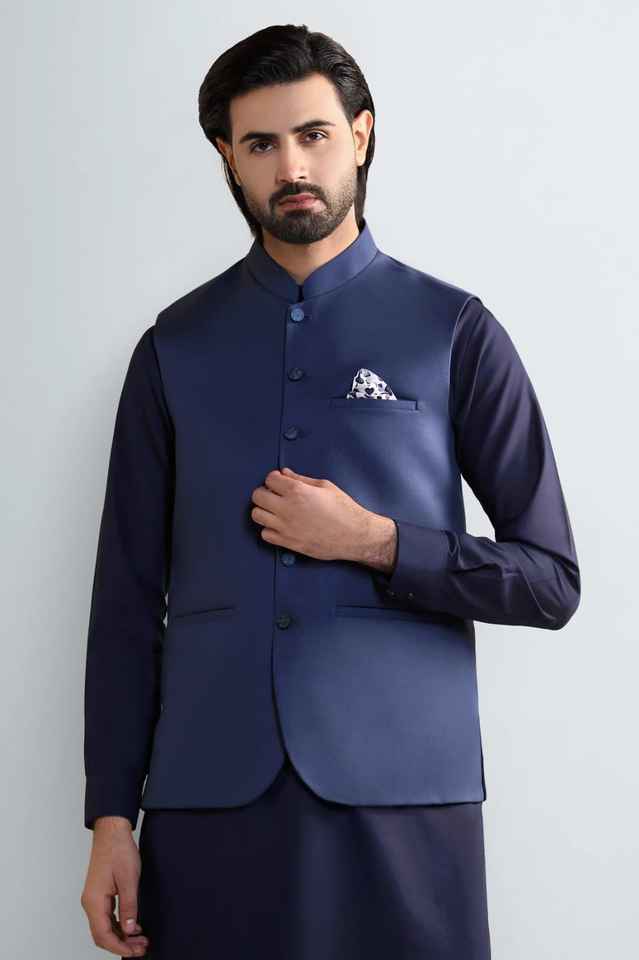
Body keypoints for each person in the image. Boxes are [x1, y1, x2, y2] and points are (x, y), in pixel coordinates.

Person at [80, 23, 580, 959]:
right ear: (227, 158)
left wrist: (375, 541)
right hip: (209, 799)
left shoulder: (455, 330)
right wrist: (111, 816)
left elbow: (550, 580)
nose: (291, 167)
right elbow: (125, 603)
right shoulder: (172, 348)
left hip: (407, 797)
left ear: (360, 134)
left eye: (312, 134)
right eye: (260, 144)